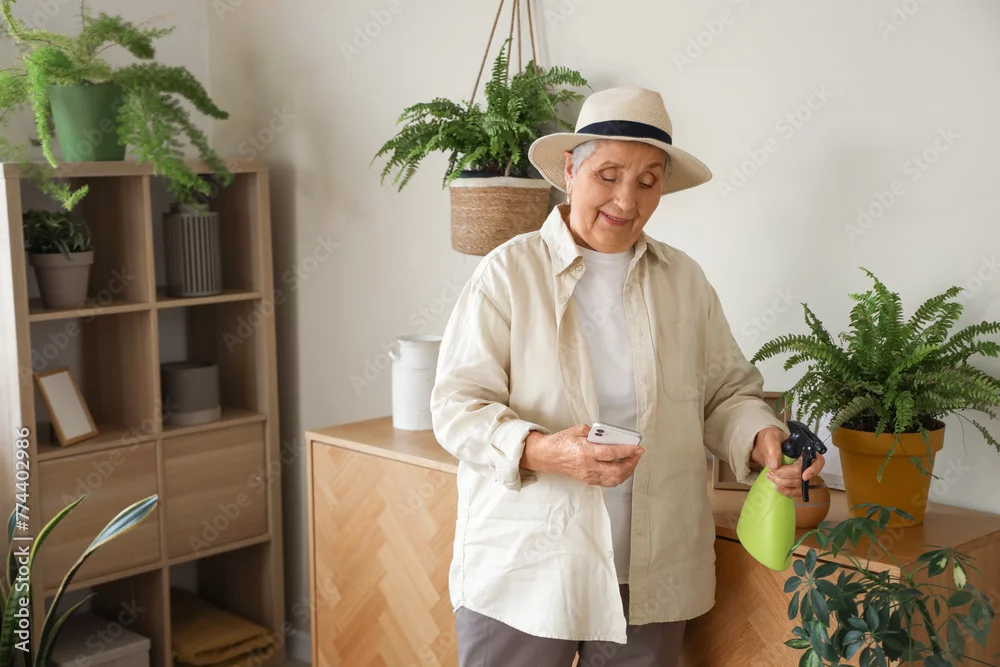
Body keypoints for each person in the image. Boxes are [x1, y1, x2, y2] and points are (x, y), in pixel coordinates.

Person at [430, 86, 826, 667]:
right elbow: (458, 406)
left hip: (651, 569)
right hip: (530, 567)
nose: (626, 199)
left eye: (647, 181)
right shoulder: (507, 273)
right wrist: (545, 451)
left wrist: (762, 436)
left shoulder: (684, 280)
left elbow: (726, 393)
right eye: (608, 175)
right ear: (571, 171)